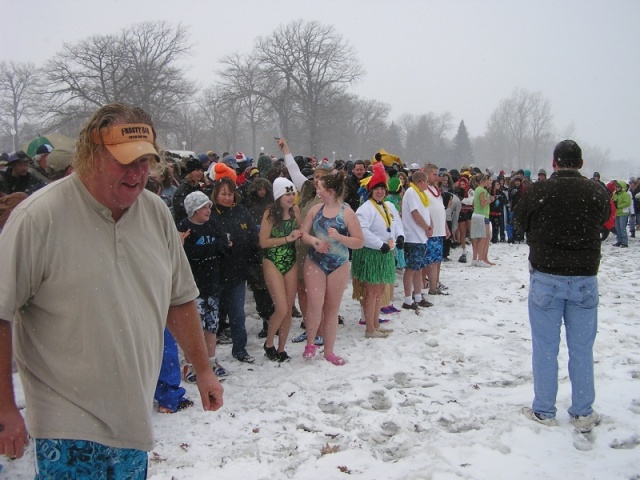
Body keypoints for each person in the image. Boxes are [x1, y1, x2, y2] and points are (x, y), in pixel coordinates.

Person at [0, 103, 223, 476]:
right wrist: (5, 407)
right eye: (125, 162)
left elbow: (179, 298)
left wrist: (203, 369)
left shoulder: (154, 214)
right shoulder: (39, 217)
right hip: (65, 422)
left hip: (133, 422)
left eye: (144, 162)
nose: (137, 174)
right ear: (91, 153)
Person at [513, 139, 609, 432]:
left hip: (547, 276)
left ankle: (544, 408)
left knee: (545, 347)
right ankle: (582, 410)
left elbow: (519, 221)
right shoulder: (596, 191)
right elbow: (604, 219)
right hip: (584, 277)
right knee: (581, 347)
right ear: (580, 163)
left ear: (554, 162)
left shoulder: (539, 191)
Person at [300, 172, 364, 365]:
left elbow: (359, 242)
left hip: (338, 263)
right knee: (314, 303)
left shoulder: (347, 213)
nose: (317, 191)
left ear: (331, 191)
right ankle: (311, 343)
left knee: (332, 308)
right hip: (316, 261)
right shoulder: (316, 210)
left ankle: (329, 351)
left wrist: (339, 237)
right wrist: (314, 241)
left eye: (320, 188)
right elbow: (302, 233)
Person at [178, 191, 232, 382]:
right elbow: (188, 253)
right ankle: (189, 364)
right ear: (194, 210)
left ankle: (211, 360)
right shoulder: (184, 227)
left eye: (209, 206)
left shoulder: (213, 224)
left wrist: (213, 248)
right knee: (194, 328)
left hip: (212, 284)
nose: (209, 210)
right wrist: (212, 248)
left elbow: (224, 246)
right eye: (204, 207)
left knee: (212, 325)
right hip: (194, 286)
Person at [210, 176, 258, 363]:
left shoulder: (241, 211)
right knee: (212, 317)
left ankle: (240, 348)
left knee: (237, 313)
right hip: (215, 273)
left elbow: (252, 236)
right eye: (223, 194)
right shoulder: (211, 213)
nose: (227, 198)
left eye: (230, 194)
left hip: (237, 272)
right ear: (216, 194)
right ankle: (209, 355)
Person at [351, 162, 403, 338]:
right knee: (372, 292)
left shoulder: (387, 207)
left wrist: (398, 238)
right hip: (371, 254)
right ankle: (369, 328)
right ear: (370, 191)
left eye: (382, 188)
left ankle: (375, 323)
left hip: (385, 252)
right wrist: (379, 244)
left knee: (380, 290)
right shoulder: (365, 208)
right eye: (376, 189)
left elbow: (394, 224)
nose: (380, 191)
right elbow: (362, 231)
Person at [259, 177, 302, 362]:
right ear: (278, 196)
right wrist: (287, 239)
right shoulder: (270, 213)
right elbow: (263, 242)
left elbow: (301, 231)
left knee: (289, 307)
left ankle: (282, 348)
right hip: (272, 260)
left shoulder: (295, 210)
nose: (291, 197)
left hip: (290, 260)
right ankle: (269, 343)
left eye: (292, 193)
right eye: (287, 194)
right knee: (282, 308)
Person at [401, 171, 433, 309]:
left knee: (419, 268)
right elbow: (415, 213)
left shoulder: (421, 194)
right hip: (412, 237)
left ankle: (418, 296)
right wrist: (426, 227)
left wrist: (429, 226)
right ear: (420, 181)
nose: (427, 184)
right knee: (411, 269)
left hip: (421, 238)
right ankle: (408, 299)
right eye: (426, 181)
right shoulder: (411, 192)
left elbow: (425, 212)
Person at [424, 163, 450, 297]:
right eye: (434, 174)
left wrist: (445, 226)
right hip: (431, 231)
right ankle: (432, 286)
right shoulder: (424, 190)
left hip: (439, 230)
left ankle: (436, 282)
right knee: (431, 261)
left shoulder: (436, 190)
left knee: (438, 260)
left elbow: (441, 210)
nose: (436, 177)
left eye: (437, 174)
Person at [470, 174, 494, 267]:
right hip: (481, 215)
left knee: (479, 237)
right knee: (483, 237)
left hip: (477, 214)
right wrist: (490, 200)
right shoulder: (482, 190)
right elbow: (483, 204)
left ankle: (477, 258)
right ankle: (481, 259)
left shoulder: (477, 190)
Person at [611, 180, 631, 248]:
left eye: (618, 187)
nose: (616, 188)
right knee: (617, 228)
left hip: (623, 213)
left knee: (622, 228)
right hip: (617, 213)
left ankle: (624, 242)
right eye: (616, 186)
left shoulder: (625, 194)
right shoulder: (615, 194)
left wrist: (618, 206)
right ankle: (619, 241)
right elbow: (612, 200)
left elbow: (627, 203)